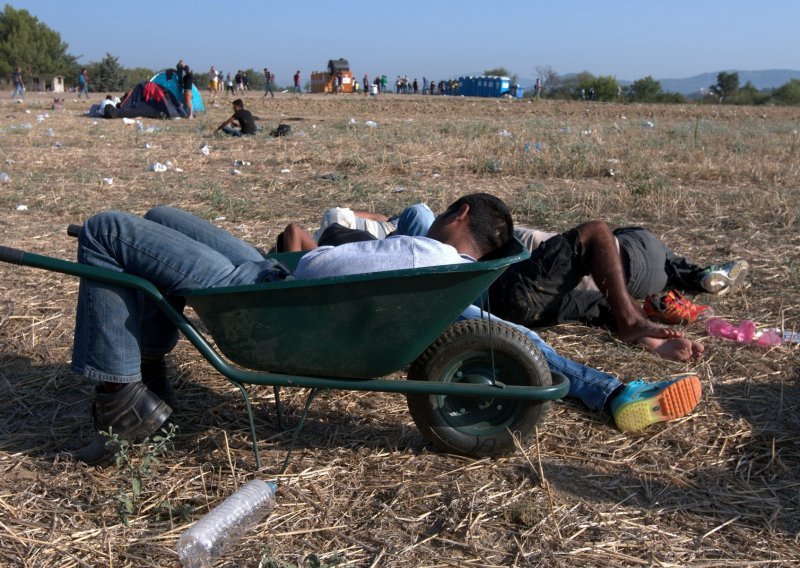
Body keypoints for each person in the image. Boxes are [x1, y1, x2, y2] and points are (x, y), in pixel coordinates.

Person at [512, 225, 749, 326]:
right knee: (666, 260)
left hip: (634, 271)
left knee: (668, 264)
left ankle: (698, 275)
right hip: (630, 257)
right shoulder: (515, 246)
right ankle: (700, 274)